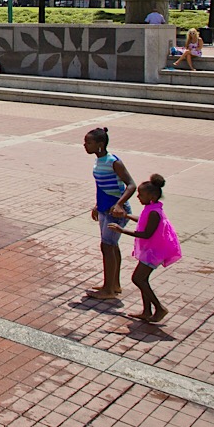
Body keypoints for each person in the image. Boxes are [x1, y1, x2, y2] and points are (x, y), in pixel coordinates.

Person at [108, 175, 182, 323]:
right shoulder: (151, 208)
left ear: (152, 196)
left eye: (141, 194)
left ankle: (159, 308)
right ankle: (147, 311)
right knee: (143, 279)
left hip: (154, 251)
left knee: (138, 278)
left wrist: (121, 230)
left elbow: (146, 233)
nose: (138, 197)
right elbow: (142, 219)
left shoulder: (155, 213)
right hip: (150, 250)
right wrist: (127, 215)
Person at [84, 126, 137, 300]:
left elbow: (131, 185)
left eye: (89, 142)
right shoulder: (98, 160)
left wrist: (119, 204)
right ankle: (113, 284)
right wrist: (97, 205)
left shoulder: (113, 161)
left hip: (116, 211)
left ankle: (108, 290)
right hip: (105, 209)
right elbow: (102, 186)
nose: (85, 145)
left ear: (100, 144)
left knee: (107, 246)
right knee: (111, 246)